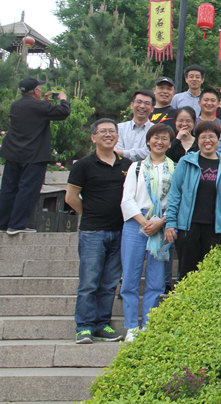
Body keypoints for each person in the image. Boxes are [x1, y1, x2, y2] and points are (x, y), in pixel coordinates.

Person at [65, 118, 132, 344]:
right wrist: (92, 213)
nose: (108, 135)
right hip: (93, 232)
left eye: (112, 131)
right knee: (89, 282)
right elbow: (71, 197)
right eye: (103, 131)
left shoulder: (127, 165)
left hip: (120, 231)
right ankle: (84, 327)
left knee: (109, 283)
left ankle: (102, 324)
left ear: (117, 136)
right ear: (93, 137)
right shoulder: (83, 165)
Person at [119, 124, 174, 342]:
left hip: (162, 222)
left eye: (164, 139)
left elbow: (175, 199)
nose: (160, 142)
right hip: (136, 222)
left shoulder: (175, 168)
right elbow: (127, 199)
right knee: (130, 277)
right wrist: (144, 222)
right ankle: (132, 326)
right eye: (156, 138)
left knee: (156, 279)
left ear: (170, 144)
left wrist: (160, 222)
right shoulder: (136, 167)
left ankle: (148, 324)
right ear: (148, 141)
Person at [164, 121, 221, 279]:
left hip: (215, 229)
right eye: (203, 137)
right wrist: (170, 222)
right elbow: (175, 194)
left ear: (218, 139)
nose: (208, 140)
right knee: (186, 274)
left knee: (210, 275)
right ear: (197, 140)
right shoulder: (186, 162)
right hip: (188, 228)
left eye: (212, 136)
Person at [0, 77, 70, 234]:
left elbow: (33, 113)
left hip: (13, 153)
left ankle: (3, 223)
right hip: (34, 155)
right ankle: (16, 225)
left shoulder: (16, 104)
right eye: (40, 88)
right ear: (36, 90)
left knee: (8, 189)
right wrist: (63, 99)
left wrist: (44, 102)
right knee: (28, 190)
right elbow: (64, 112)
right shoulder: (40, 106)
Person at [115, 90, 155, 162]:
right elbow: (116, 151)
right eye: (139, 102)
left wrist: (122, 153)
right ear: (132, 105)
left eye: (147, 103)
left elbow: (148, 152)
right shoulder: (119, 128)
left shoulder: (156, 130)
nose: (142, 106)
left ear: (152, 108)